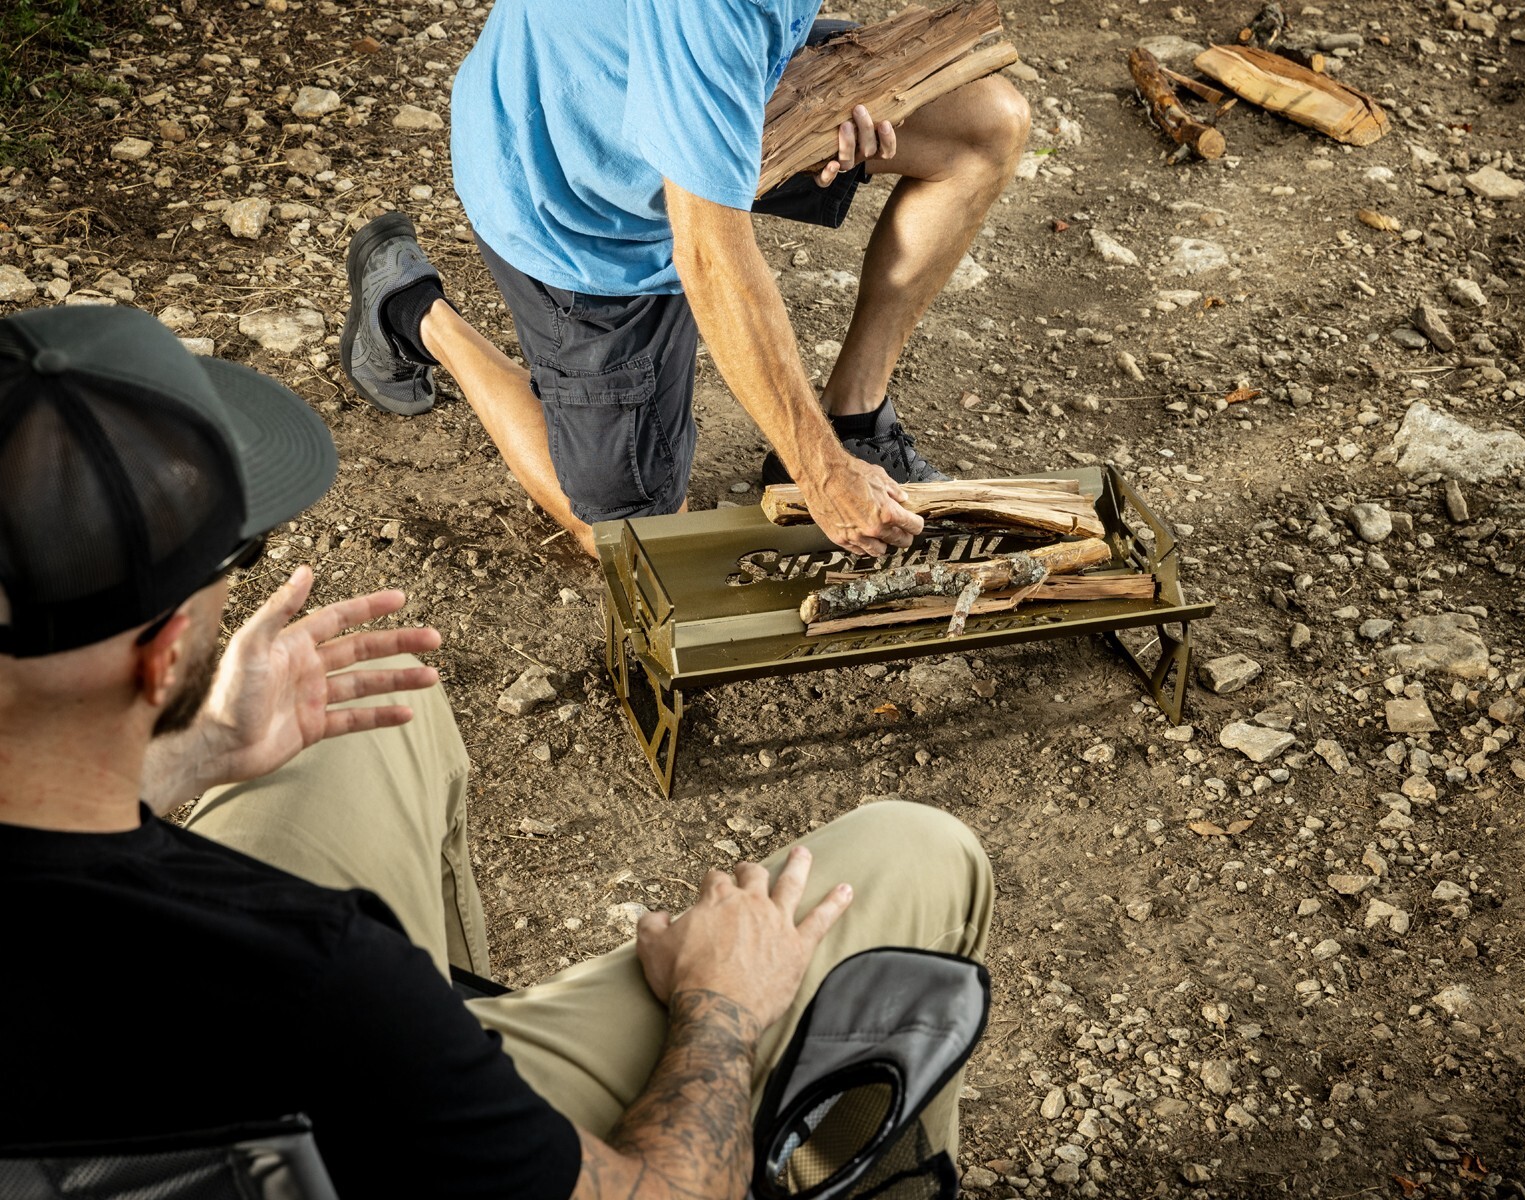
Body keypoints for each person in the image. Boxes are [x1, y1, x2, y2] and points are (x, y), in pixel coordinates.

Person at [0, 304, 993, 1200]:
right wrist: (722, 1010)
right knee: (919, 855)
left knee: (376, 711)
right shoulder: (319, 976)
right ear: (167, 653)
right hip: (358, 1116)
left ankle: (463, 1073)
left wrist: (199, 750)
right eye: (234, 555)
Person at [339, 3, 1031, 560]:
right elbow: (711, 257)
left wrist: (817, 99)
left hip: (685, 80)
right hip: (570, 178)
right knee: (636, 538)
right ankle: (413, 311)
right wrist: (817, 473)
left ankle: (854, 424)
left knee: (983, 125)